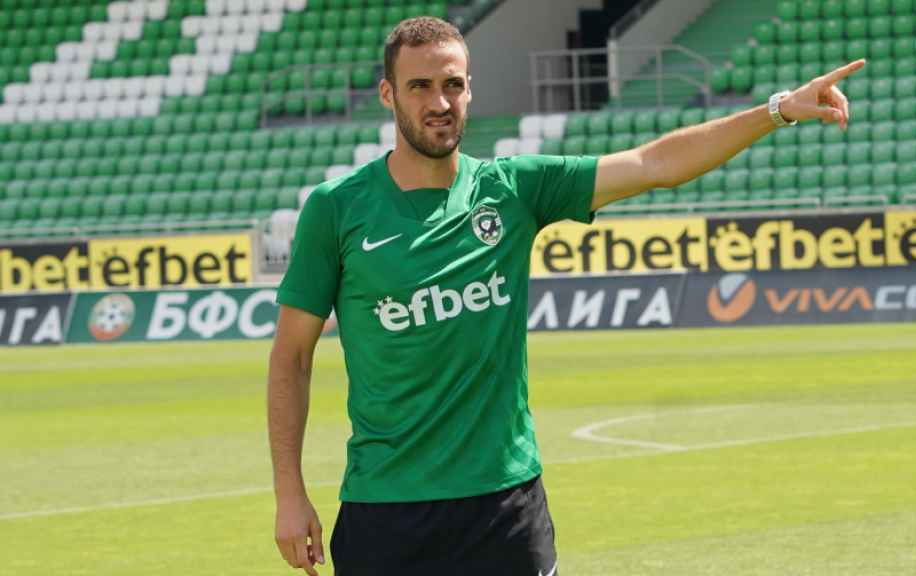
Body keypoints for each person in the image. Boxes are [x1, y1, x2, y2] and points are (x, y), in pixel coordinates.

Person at [267, 15, 865, 576]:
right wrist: (289, 495)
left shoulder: (514, 189)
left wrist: (778, 110)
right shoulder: (336, 209)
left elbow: (655, 163)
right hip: (386, 510)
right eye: (419, 86)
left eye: (452, 84)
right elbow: (291, 357)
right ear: (388, 95)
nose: (439, 102)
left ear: (470, 90)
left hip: (503, 506)